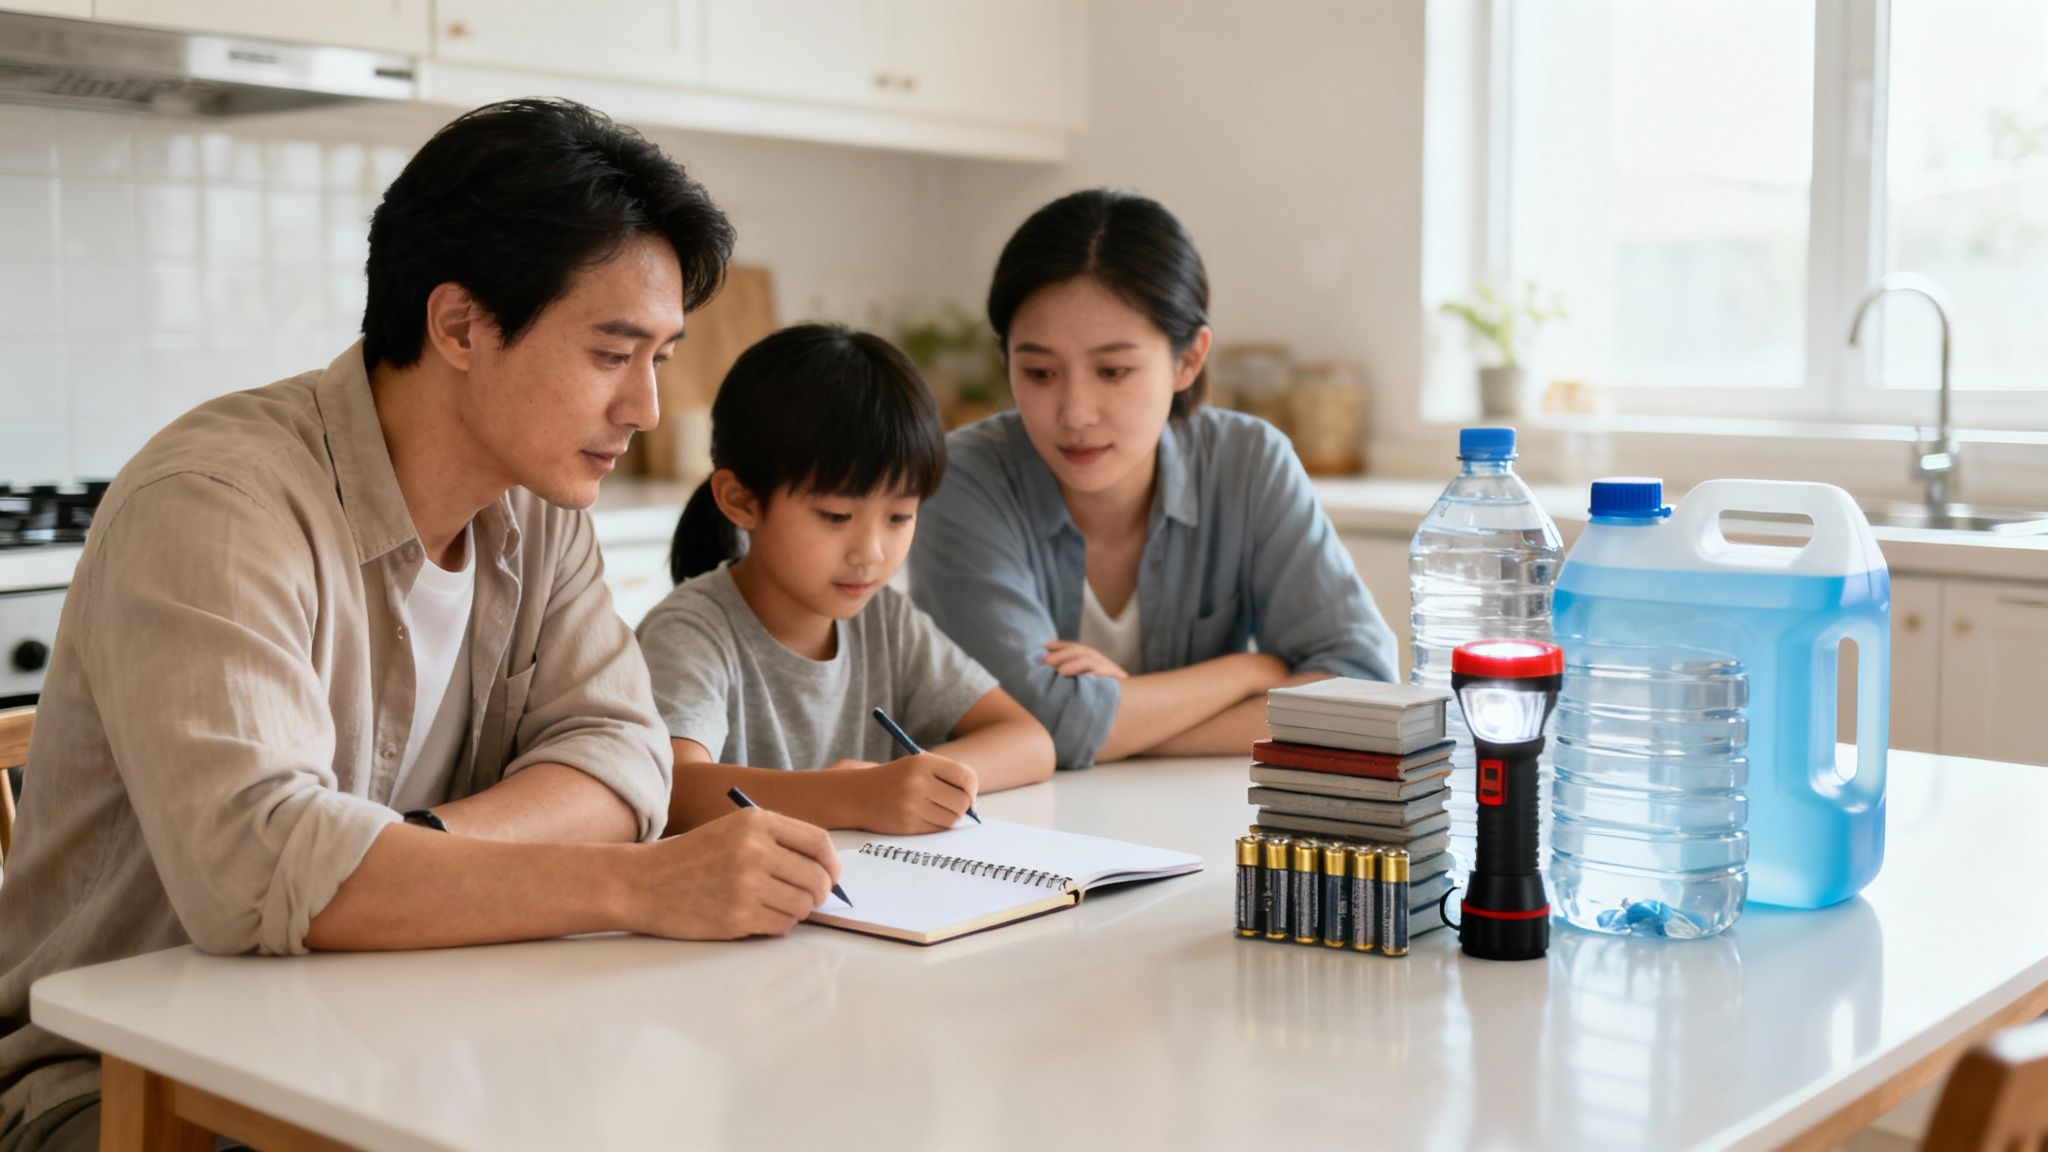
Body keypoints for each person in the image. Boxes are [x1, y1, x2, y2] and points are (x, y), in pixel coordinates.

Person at [0, 99, 843, 1152]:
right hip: (131, 1091)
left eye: (662, 357)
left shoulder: (539, 506)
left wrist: (400, 861)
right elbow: (259, 872)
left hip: (408, 1038)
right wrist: (634, 885)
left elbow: (622, 758)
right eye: (611, 353)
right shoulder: (218, 502)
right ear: (457, 326)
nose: (645, 409)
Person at [909, 189, 1398, 771]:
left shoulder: (1249, 463)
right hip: (1015, 837)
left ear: (1188, 360)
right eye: (1038, 372)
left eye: (1113, 371)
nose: (1075, 413)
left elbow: (1360, 688)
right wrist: (1248, 672)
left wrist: (1112, 724)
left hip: (1191, 823)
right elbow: (1039, 721)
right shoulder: (961, 479)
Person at [639, 324, 1054, 836]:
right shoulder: (691, 630)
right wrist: (852, 797)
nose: (872, 553)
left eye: (899, 517)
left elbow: (1029, 741)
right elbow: (673, 789)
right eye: (836, 517)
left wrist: (896, 784)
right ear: (741, 500)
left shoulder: (887, 621)